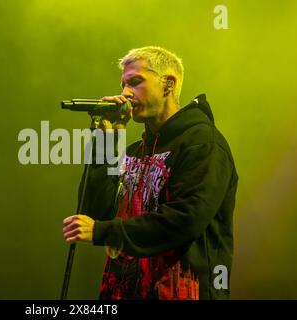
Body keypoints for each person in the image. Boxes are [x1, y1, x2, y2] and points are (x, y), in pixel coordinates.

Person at [62, 46, 238, 300]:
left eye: (135, 82)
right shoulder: (134, 151)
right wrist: (106, 141)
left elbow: (185, 220)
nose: (124, 93)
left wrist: (104, 232)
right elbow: (95, 212)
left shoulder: (203, 143)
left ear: (168, 84)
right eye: (123, 84)